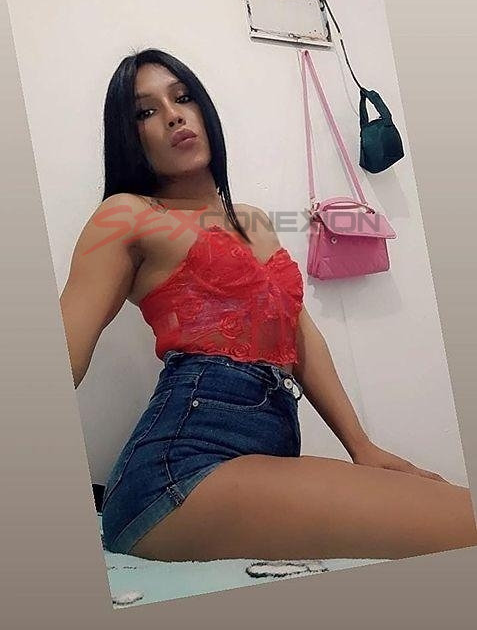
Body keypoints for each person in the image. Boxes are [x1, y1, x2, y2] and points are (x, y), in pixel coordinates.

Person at [60, 48, 477, 563]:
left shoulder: (254, 220)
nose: (172, 115)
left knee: (447, 506)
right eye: (146, 111)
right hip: (178, 469)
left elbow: (300, 336)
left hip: (263, 449)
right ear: (130, 136)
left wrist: (362, 447)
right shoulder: (126, 215)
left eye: (183, 97)